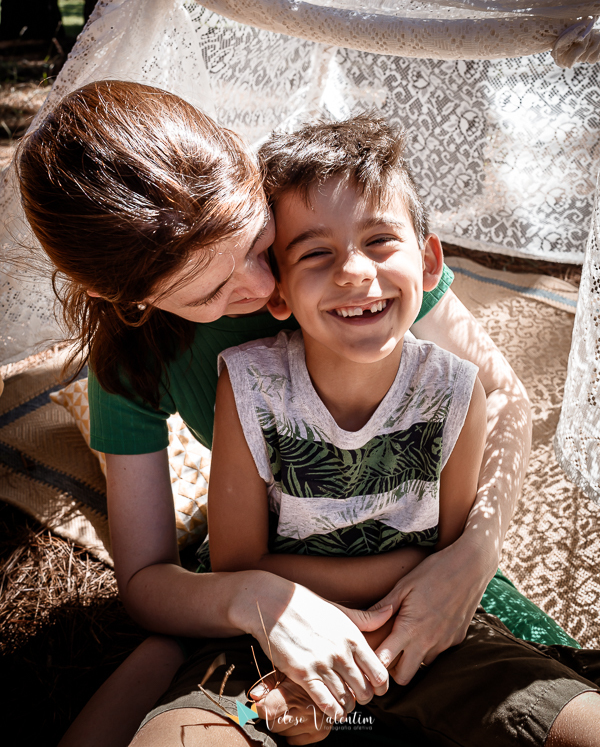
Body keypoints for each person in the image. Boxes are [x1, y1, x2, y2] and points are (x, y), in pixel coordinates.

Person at [15, 81, 534, 747]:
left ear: (238, 156)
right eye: (209, 291)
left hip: (404, 546)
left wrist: (474, 556)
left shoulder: (337, 245)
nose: (263, 288)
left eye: (257, 244)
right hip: (262, 558)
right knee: (150, 679)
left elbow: (503, 395)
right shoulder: (133, 362)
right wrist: (254, 601)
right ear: (122, 297)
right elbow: (145, 578)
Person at [139, 115, 600, 747]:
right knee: (185, 735)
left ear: (430, 260)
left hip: (427, 634)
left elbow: (445, 565)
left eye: (380, 240)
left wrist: (372, 656)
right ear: (279, 292)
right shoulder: (246, 384)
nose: (355, 271)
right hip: (276, 638)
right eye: (316, 253)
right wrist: (396, 577)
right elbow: (237, 565)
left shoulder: (459, 392)